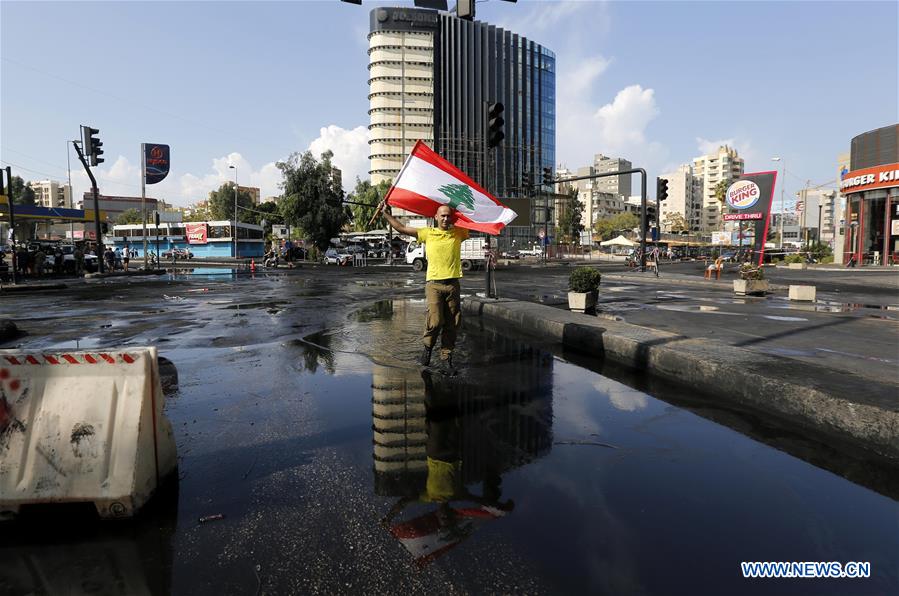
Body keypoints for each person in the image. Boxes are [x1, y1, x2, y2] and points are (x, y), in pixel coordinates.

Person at [382, 203, 468, 370]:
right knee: (435, 321)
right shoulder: (427, 233)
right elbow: (401, 228)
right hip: (434, 285)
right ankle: (428, 348)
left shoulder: (459, 232)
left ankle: (446, 355)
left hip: (452, 284)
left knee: (452, 323)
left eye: (448, 215)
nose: (445, 218)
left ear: (452, 217)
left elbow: (477, 222)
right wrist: (387, 214)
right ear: (435, 217)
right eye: (442, 215)